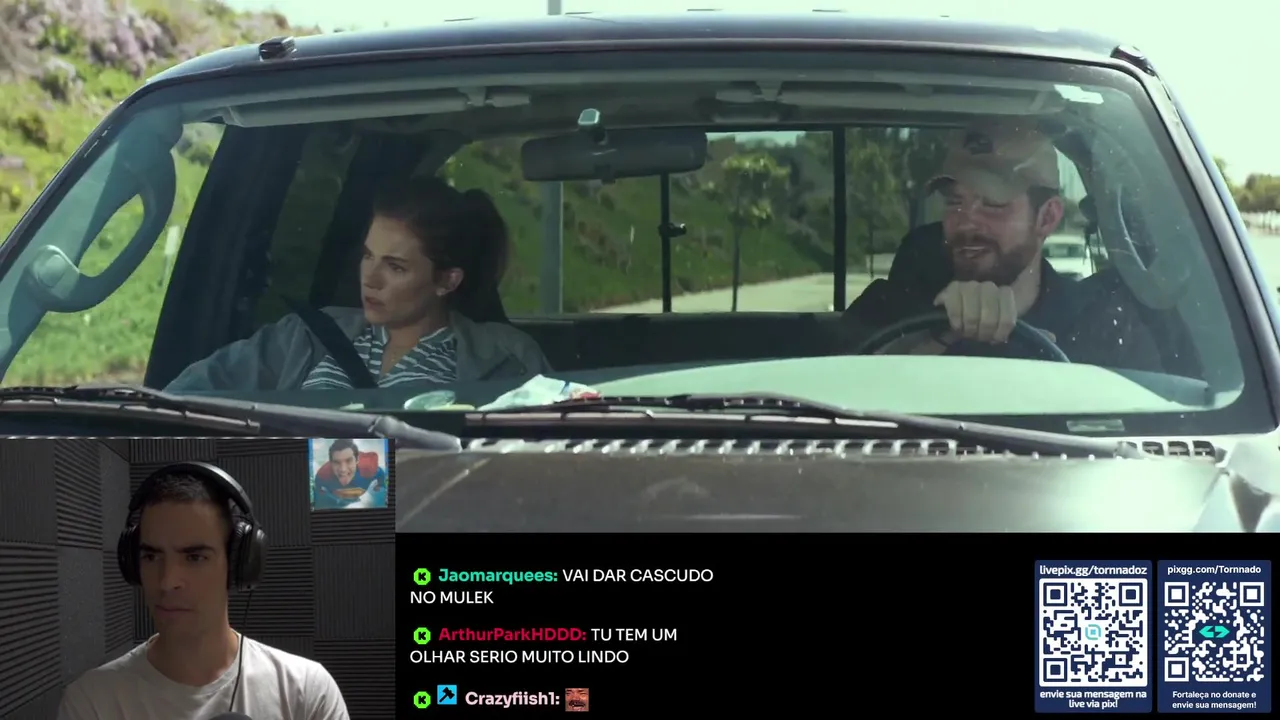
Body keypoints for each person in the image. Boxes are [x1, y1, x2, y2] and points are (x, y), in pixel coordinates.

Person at [165, 177, 551, 391]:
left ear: (447, 281)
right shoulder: (308, 335)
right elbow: (190, 394)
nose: (370, 278)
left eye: (395, 267)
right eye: (368, 256)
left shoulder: (506, 358)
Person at [838, 118, 1162, 371]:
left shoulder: (1101, 326)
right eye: (954, 202)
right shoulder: (890, 308)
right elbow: (828, 400)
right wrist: (938, 333)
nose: (966, 222)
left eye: (993, 203)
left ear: (1047, 218)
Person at [58, 465, 348, 720]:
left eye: (194, 557)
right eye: (151, 556)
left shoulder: (306, 691)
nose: (167, 582)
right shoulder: (92, 702)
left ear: (237, 565)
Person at [313, 438, 388, 508]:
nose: (343, 469)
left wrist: (380, 484)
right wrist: (320, 490)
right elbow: (317, 484)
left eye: (349, 460)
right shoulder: (323, 475)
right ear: (331, 463)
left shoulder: (368, 469)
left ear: (357, 460)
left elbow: (380, 473)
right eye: (336, 462)